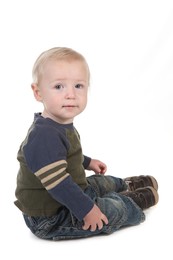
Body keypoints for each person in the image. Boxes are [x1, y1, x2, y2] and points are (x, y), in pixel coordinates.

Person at [14, 47, 159, 240]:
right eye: (59, 86)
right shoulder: (43, 136)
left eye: (79, 86)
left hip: (68, 191)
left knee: (98, 182)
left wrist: (87, 162)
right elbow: (59, 184)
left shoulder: (57, 125)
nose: (71, 94)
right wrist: (86, 210)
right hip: (50, 215)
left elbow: (62, 156)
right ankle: (129, 202)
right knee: (107, 211)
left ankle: (125, 185)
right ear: (38, 92)